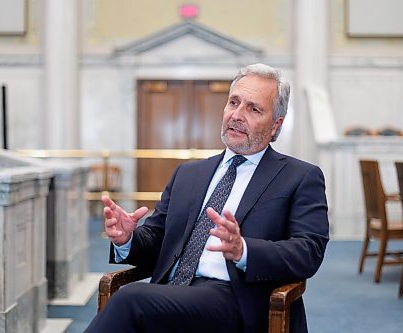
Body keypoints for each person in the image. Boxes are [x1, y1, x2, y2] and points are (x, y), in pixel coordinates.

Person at [86, 63, 329, 333]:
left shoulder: (299, 176)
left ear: (275, 126)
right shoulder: (189, 173)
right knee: (135, 304)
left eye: (253, 109)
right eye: (233, 102)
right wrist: (127, 238)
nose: (237, 115)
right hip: (173, 293)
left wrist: (244, 250)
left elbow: (309, 251)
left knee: (131, 300)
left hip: (236, 299)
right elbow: (157, 239)